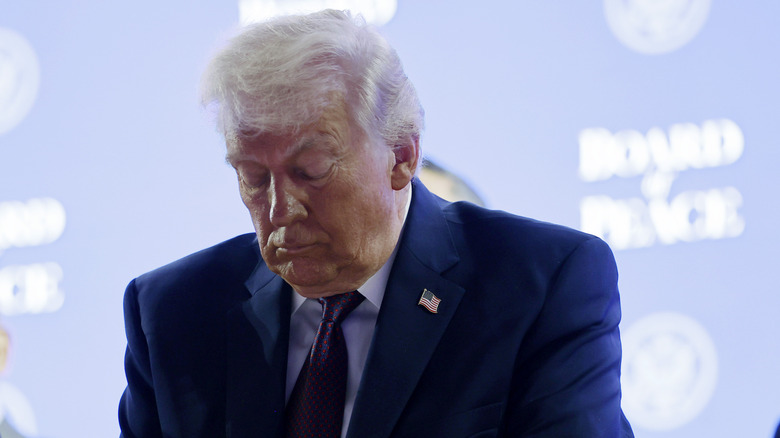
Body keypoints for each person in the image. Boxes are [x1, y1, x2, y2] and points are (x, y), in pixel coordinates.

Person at [118, 9, 633, 438]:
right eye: (253, 178)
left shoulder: (539, 286)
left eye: (311, 171)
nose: (279, 210)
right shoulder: (173, 313)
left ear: (402, 155)